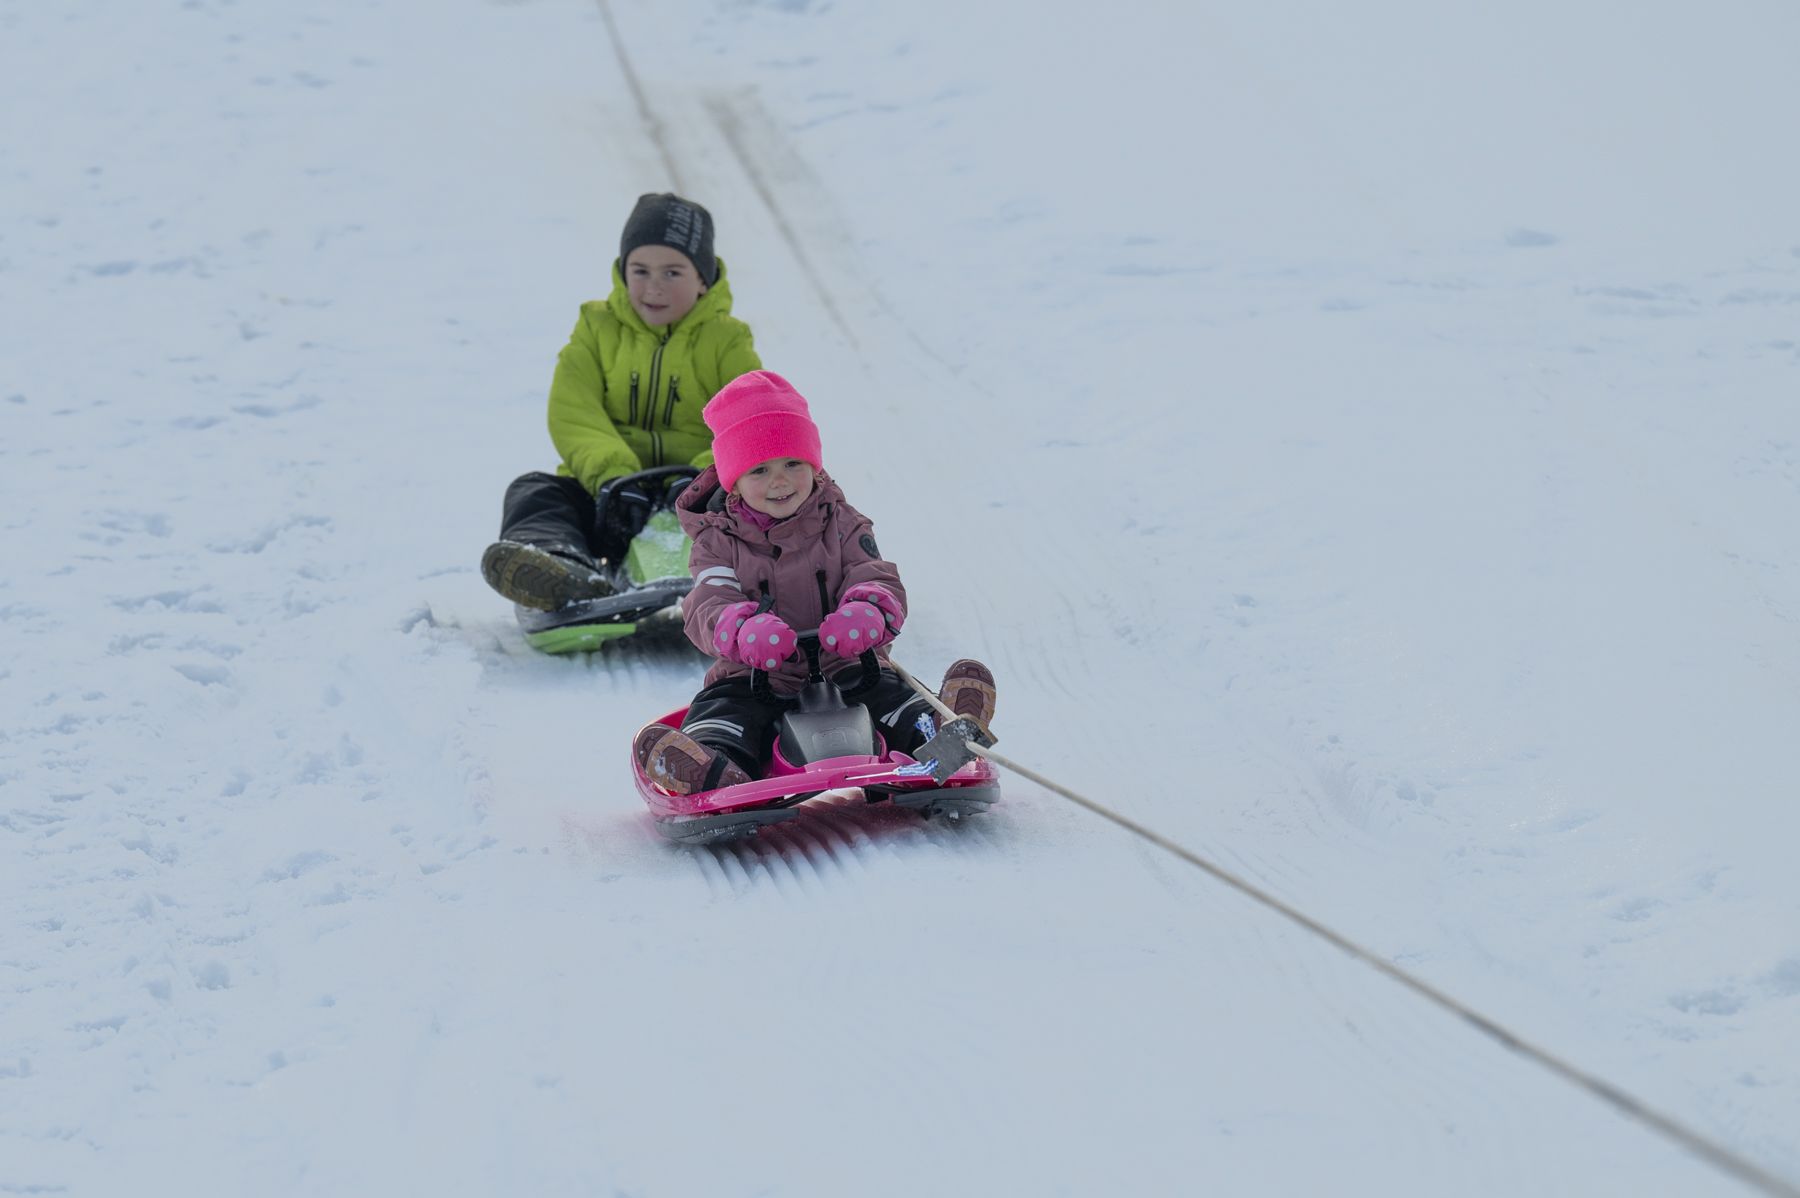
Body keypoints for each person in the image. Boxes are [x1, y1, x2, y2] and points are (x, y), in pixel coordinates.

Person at [632, 370, 997, 794]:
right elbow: (708, 602)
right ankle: (711, 770)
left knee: (894, 700)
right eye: (759, 470)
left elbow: (872, 571)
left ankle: (945, 735)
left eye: (793, 463)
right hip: (753, 674)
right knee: (725, 715)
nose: (780, 481)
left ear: (813, 464)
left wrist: (867, 610)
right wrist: (743, 629)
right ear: (734, 481)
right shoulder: (716, 541)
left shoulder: (842, 521)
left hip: (849, 663)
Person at [481, 192, 763, 610]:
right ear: (622, 271)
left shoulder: (726, 341)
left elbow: (749, 419)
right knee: (535, 493)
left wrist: (704, 480)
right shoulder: (596, 329)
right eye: (640, 271)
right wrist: (613, 478)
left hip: (699, 500)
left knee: (762, 500)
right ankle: (564, 571)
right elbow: (574, 411)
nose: (653, 287)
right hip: (609, 496)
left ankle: (746, 577)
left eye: (672, 273)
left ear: (703, 280)